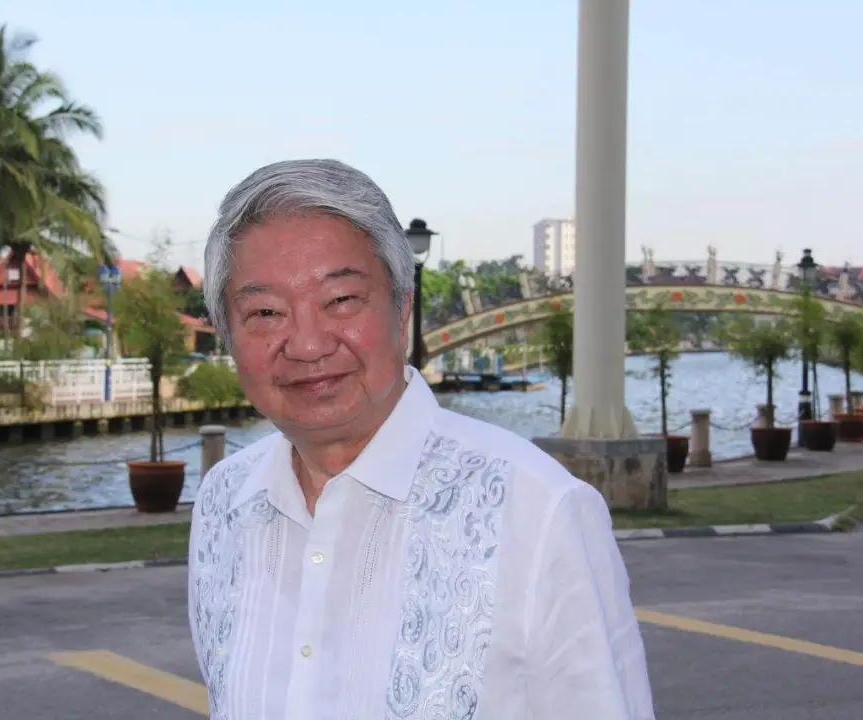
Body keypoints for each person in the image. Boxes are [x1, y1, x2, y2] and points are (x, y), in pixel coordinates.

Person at [188, 158, 655, 719]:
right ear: (228, 335)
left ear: (402, 307)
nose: (308, 344)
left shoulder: (537, 510)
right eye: (265, 311)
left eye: (341, 300)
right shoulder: (223, 502)